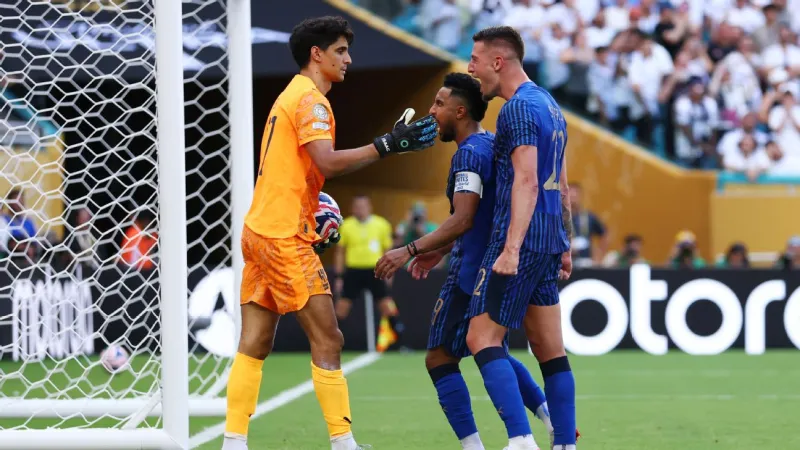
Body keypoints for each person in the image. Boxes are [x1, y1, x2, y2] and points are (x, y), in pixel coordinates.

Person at [222, 16, 437, 450]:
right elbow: (328, 162)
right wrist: (388, 145)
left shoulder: (292, 95)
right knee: (329, 337)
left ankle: (233, 442)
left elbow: (310, 169)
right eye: (340, 50)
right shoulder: (311, 102)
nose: (349, 59)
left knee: (255, 341)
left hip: (259, 228)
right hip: (283, 234)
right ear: (316, 54)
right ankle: (343, 443)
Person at [375, 72, 553, 450]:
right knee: (492, 348)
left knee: (441, 358)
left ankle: (496, 442)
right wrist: (439, 248)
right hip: (485, 259)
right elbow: (482, 215)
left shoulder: (470, 153)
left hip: (472, 270)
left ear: (460, 111)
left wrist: (409, 249)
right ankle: (546, 415)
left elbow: (464, 217)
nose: (431, 111)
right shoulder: (490, 144)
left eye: (438, 104)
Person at [466, 26, 577, 450]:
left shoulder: (515, 110)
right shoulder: (549, 104)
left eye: (475, 60)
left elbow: (527, 181)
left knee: (482, 338)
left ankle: (520, 441)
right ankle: (565, 443)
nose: (470, 69)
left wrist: (510, 248)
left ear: (498, 61)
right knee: (550, 350)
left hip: (522, 239)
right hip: (548, 239)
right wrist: (564, 241)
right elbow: (562, 183)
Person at [333, 195, 403, 352]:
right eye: (357, 206)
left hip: (375, 270)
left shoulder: (381, 224)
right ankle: (333, 343)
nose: (360, 209)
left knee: (387, 305)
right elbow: (340, 252)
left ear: (369, 207)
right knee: (341, 308)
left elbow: (387, 250)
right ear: (353, 208)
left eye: (363, 206)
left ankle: (399, 343)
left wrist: (389, 271)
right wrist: (339, 276)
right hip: (353, 271)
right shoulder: (346, 225)